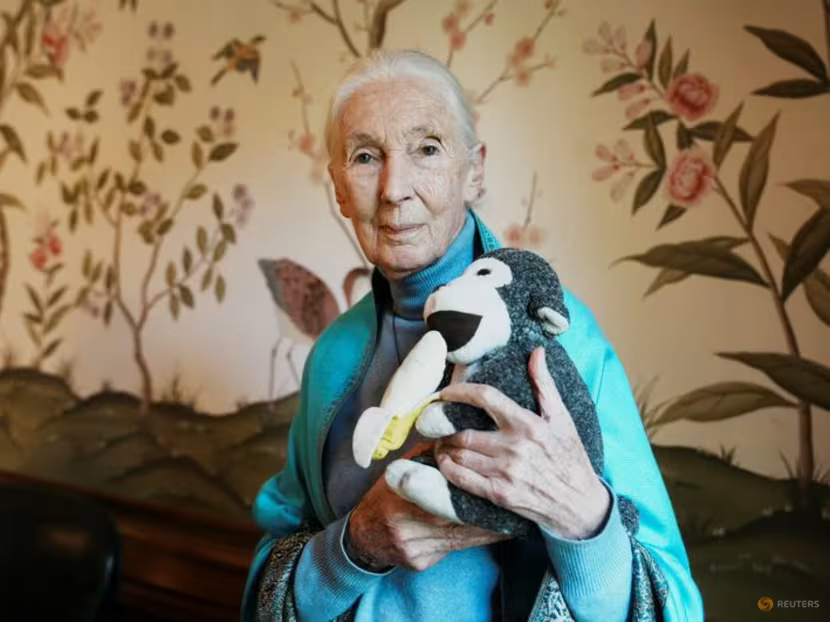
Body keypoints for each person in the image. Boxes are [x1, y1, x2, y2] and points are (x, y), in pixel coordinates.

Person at [242, 49, 704, 621]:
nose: (393, 189)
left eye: (427, 148)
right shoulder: (331, 355)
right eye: (365, 157)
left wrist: (580, 517)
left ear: (475, 170)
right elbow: (267, 591)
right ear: (338, 187)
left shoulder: (562, 338)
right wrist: (357, 545)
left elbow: (675, 605)